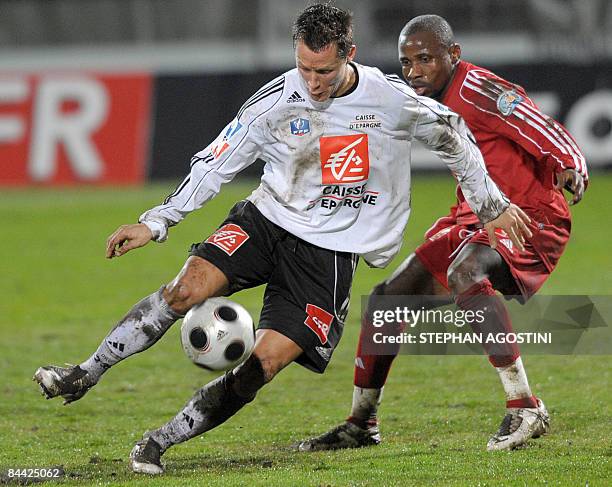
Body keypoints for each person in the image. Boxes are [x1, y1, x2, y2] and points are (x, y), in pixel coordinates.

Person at [33, 6, 531, 475]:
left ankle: (160, 441)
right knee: (184, 291)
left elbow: (456, 135)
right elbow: (215, 162)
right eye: (303, 68)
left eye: (324, 72)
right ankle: (85, 371)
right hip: (267, 221)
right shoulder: (277, 100)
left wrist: (491, 205)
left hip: (330, 254)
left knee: (263, 364)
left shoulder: (391, 101)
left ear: (349, 54)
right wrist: (157, 221)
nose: (312, 83)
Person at [296, 14, 587, 453]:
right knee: (387, 302)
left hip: (530, 214)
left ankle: (525, 406)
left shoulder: (476, 89)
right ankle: (361, 424)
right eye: (406, 61)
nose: (414, 71)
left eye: (425, 59)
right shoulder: (422, 99)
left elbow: (535, 122)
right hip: (475, 216)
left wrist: (570, 164)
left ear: (454, 54)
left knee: (466, 273)